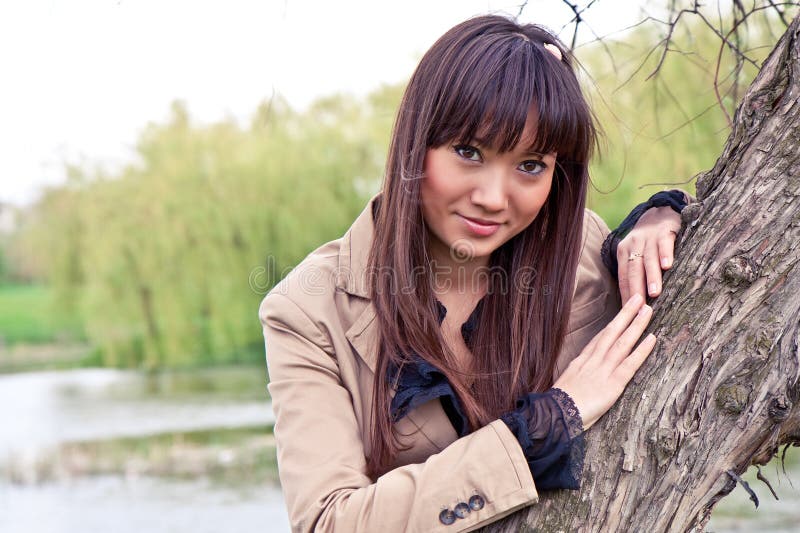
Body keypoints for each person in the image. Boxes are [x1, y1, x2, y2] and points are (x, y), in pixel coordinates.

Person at [259, 14, 692, 532]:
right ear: (416, 144)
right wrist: (544, 427)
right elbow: (328, 522)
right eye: (468, 152)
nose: (492, 198)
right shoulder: (308, 311)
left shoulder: (586, 251)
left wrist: (664, 216)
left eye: (530, 165)